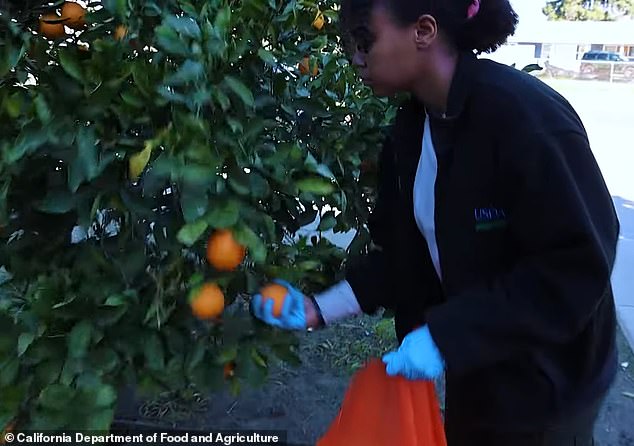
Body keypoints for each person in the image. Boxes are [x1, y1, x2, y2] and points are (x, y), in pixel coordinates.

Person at [251, 0, 621, 444]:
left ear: (423, 31)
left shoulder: (526, 120)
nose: (356, 57)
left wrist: (447, 337)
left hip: (549, 384)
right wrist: (318, 308)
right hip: (477, 371)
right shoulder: (410, 132)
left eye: (365, 39)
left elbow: (575, 267)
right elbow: (406, 257)